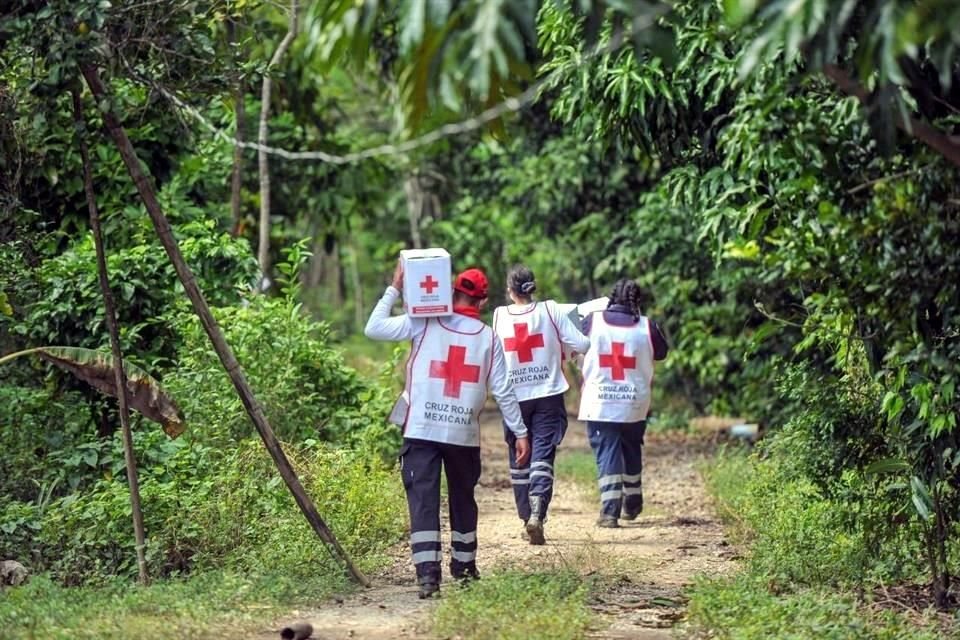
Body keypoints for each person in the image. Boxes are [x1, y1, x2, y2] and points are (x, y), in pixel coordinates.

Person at [364, 260, 531, 599]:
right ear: (483, 302)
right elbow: (503, 390)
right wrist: (520, 432)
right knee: (462, 499)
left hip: (422, 430)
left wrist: (395, 286)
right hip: (462, 435)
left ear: (451, 291)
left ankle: (428, 578)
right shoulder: (488, 338)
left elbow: (374, 328)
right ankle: (465, 568)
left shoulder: (424, 322)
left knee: (423, 501)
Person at [491, 265, 590, 545]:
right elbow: (582, 344)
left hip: (514, 397)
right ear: (533, 287)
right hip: (547, 394)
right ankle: (538, 513)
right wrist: (561, 345)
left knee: (519, 455)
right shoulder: (551, 310)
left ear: (510, 291)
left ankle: (526, 518)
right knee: (542, 453)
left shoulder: (498, 315)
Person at [578, 278, 668, 528]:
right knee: (631, 447)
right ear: (637, 302)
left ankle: (609, 512)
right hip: (634, 402)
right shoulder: (647, 327)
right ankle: (633, 500)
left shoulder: (592, 321)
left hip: (601, 401)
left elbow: (574, 344)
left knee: (607, 450)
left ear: (610, 298)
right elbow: (661, 353)